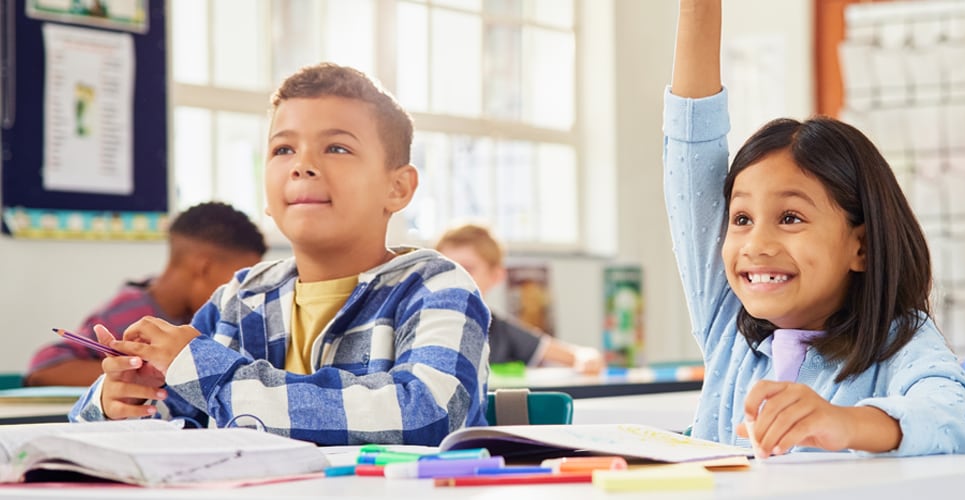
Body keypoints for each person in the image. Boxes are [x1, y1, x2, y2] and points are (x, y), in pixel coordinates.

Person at [70, 63, 492, 446]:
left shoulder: (438, 286)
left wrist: (209, 369)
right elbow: (174, 421)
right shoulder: (239, 298)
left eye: (337, 148)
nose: (302, 166)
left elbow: (428, 416)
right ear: (268, 197)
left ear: (397, 188)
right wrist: (121, 401)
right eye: (283, 149)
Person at [666, 0, 965, 458]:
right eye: (741, 219)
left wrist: (847, 423)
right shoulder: (728, 328)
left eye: (791, 218)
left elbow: (958, 419)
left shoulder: (899, 341)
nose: (756, 244)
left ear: (863, 245)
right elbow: (689, 148)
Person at [26, 202, 266, 387]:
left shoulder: (207, 319)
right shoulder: (132, 311)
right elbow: (43, 368)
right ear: (204, 268)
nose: (243, 294)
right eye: (239, 280)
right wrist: (139, 370)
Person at [436, 223, 604, 374]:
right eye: (445, 269)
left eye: (467, 269)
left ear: (496, 276)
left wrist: (587, 358)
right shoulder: (420, 323)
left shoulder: (498, 329)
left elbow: (578, 355)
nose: (454, 278)